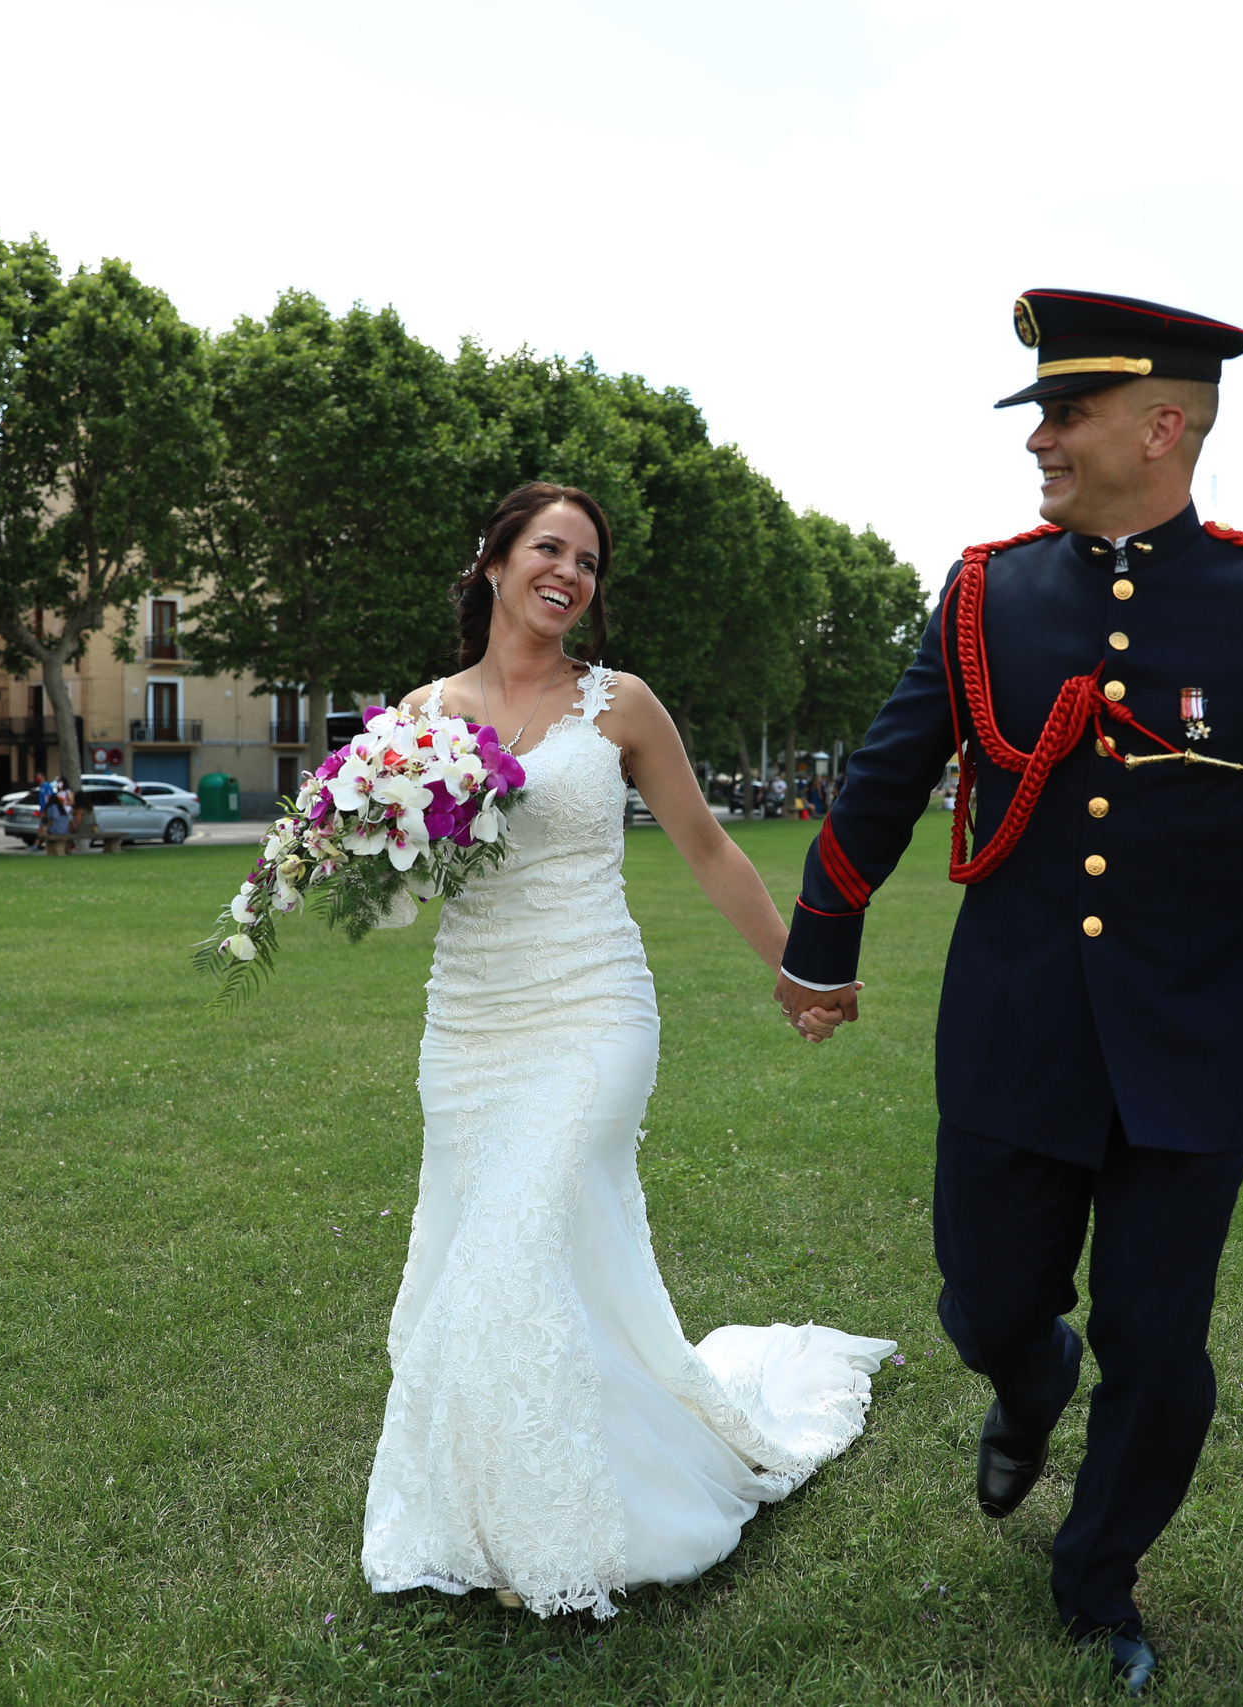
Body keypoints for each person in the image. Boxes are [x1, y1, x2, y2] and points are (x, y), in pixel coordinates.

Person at [772, 291, 1243, 1694]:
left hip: (1192, 1042)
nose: (1040, 436)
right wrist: (823, 938)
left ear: (1161, 427)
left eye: (1065, 412)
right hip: (1013, 1030)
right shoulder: (984, 591)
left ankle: (1095, 1574)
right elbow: (890, 774)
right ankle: (1030, 1382)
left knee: (1160, 1350)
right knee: (984, 1303)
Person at [364, 481, 890, 1621]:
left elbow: (709, 851)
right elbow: (401, 875)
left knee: (514, 1240)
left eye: (589, 562)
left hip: (592, 1013)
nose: (570, 573)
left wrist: (797, 969)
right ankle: (486, 1511)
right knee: (484, 1258)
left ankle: (575, 1523)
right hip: (468, 1023)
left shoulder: (621, 706)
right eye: (550, 549)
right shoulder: (419, 714)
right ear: (495, 563)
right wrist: (351, 845)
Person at [41, 780, 74, 855]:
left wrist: (46, 828)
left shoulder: (52, 808)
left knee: (46, 829)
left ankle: (47, 847)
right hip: (64, 830)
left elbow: (50, 820)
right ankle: (67, 847)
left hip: (56, 830)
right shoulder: (61, 809)